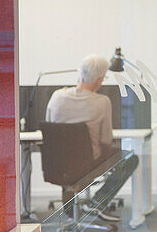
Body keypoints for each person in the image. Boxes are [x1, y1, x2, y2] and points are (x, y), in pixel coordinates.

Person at [45, 54, 138, 221]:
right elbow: (106, 140)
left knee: (66, 158)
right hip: (89, 164)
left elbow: (51, 132)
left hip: (58, 164)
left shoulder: (56, 97)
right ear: (99, 79)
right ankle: (97, 203)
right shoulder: (102, 102)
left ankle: (70, 209)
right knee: (130, 157)